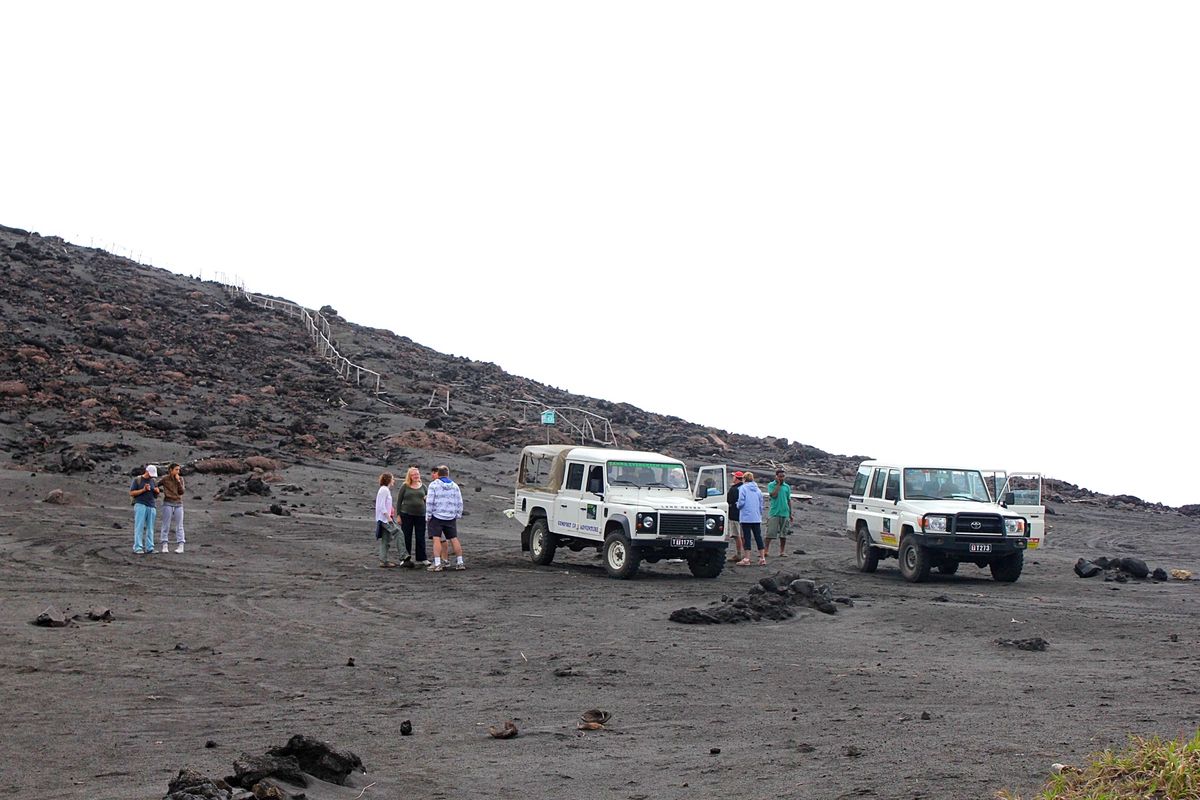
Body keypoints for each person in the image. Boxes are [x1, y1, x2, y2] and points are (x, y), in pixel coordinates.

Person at [426, 464, 465, 572]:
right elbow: (459, 501)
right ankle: (460, 562)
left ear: (438, 474)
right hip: (450, 516)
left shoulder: (433, 485)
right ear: (447, 474)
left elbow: (430, 501)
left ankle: (438, 563)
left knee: (436, 539)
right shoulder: (455, 486)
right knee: (454, 538)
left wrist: (428, 515)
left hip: (437, 516)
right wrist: (458, 514)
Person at [396, 467, 429, 567]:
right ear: (410, 476)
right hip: (406, 514)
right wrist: (398, 515)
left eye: (417, 474)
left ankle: (422, 558)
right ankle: (406, 558)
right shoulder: (405, 486)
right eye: (414, 474)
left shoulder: (423, 486)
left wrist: (426, 499)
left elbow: (429, 499)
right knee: (406, 536)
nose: (416, 476)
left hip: (421, 515)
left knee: (420, 537)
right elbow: (399, 501)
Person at [736, 471, 766, 566]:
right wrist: (759, 513)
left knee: (747, 537)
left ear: (744, 479)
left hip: (746, 516)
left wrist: (737, 506)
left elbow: (741, 502)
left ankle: (747, 558)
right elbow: (761, 504)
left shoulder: (743, 488)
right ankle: (762, 558)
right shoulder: (758, 490)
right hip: (756, 517)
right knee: (758, 536)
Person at [129, 464, 160, 554]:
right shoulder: (137, 480)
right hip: (140, 504)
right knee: (139, 526)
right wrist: (143, 490)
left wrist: (156, 491)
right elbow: (131, 492)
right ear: (146, 471)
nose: (152, 476)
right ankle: (138, 547)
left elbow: (156, 495)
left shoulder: (153, 481)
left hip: (151, 505)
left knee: (150, 528)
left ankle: (150, 547)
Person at [158, 463, 186, 553]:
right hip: (168, 502)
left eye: (179, 470)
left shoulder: (180, 479)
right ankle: (165, 544)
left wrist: (178, 482)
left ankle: (181, 545)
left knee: (180, 525)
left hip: (178, 503)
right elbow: (156, 484)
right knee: (166, 524)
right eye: (176, 469)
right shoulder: (165, 479)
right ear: (171, 470)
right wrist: (157, 491)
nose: (178, 471)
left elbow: (182, 492)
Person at [766, 468, 793, 558]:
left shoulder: (787, 487)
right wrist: (778, 484)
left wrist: (790, 513)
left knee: (783, 534)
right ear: (776, 476)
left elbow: (788, 500)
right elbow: (773, 495)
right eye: (780, 476)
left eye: (783, 476)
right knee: (770, 533)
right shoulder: (771, 485)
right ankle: (766, 551)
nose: (782, 478)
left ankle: (782, 551)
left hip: (784, 512)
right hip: (774, 512)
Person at [375, 472, 398, 568]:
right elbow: (381, 506)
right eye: (392, 479)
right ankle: (404, 556)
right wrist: (388, 518)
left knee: (386, 539)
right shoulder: (384, 490)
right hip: (385, 519)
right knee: (398, 532)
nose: (393, 481)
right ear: (388, 480)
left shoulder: (385, 490)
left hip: (386, 518)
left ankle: (383, 560)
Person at [726, 471, 745, 562]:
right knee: (743, 535)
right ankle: (746, 554)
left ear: (736, 478)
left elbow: (728, 500)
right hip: (745, 515)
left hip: (735, 515)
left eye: (733, 477)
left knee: (737, 535)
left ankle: (739, 554)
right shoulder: (745, 488)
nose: (732, 478)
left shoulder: (734, 489)